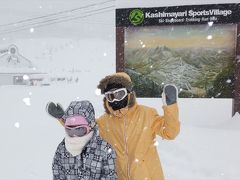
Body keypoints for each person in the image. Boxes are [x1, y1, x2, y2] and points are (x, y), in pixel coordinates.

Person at [96, 72, 180, 180]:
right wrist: (67, 120)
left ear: (128, 93)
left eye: (120, 94)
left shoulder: (147, 114)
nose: (116, 100)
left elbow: (170, 133)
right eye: (111, 96)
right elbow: (83, 128)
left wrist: (171, 107)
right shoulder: (104, 122)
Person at [47, 100, 118, 180]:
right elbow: (58, 175)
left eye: (80, 130)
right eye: (69, 130)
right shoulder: (62, 149)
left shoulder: (104, 149)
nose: (74, 135)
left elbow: (110, 176)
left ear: (91, 126)